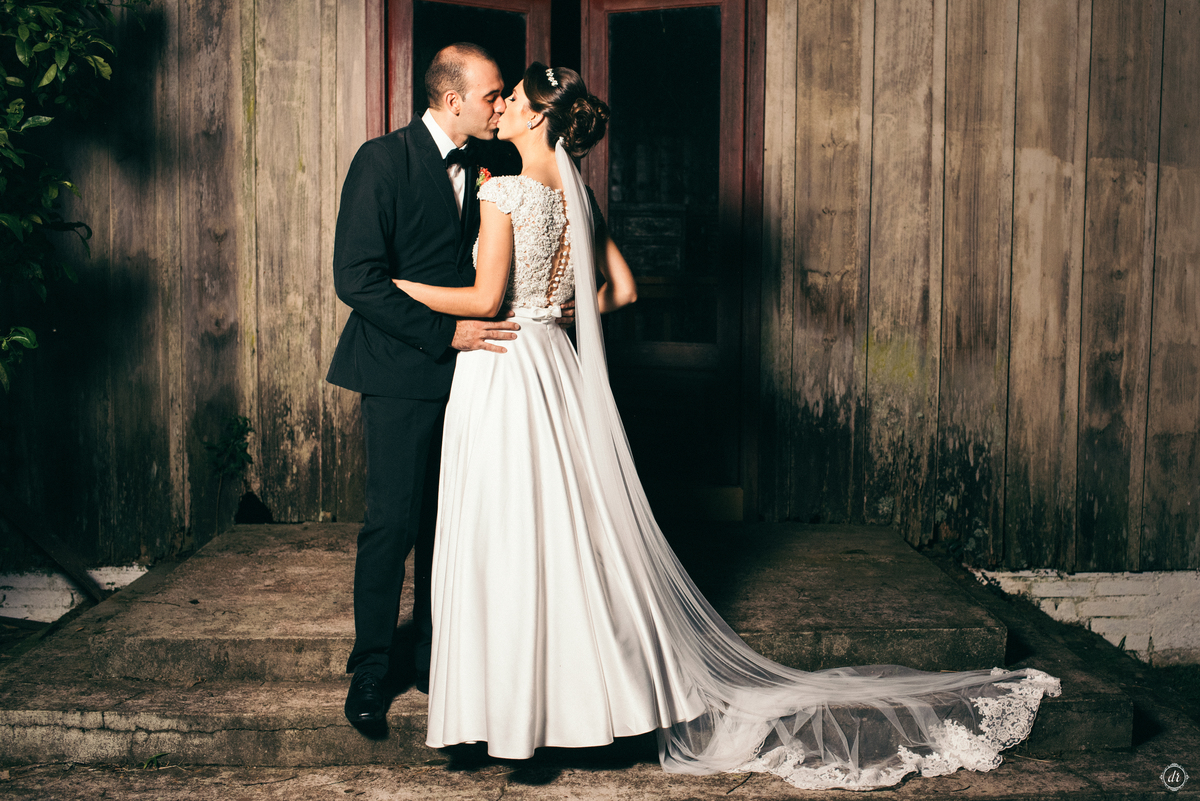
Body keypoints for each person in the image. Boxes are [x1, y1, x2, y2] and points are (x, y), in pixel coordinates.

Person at [393, 63, 1062, 791]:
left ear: (533, 120)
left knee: (506, 534)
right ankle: (565, 714)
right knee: (560, 539)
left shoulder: (506, 191)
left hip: (504, 367)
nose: (503, 110)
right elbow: (622, 288)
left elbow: (485, 294)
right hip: (552, 361)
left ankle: (511, 721)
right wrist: (553, 313)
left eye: (514, 102)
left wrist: (394, 285)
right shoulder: (574, 194)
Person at [326, 43, 523, 729]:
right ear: (451, 100)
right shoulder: (381, 160)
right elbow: (356, 278)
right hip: (400, 373)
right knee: (392, 523)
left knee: (454, 526)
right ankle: (372, 669)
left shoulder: (498, 166)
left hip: (477, 377)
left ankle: (442, 661)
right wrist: (447, 335)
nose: (502, 104)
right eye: (493, 94)